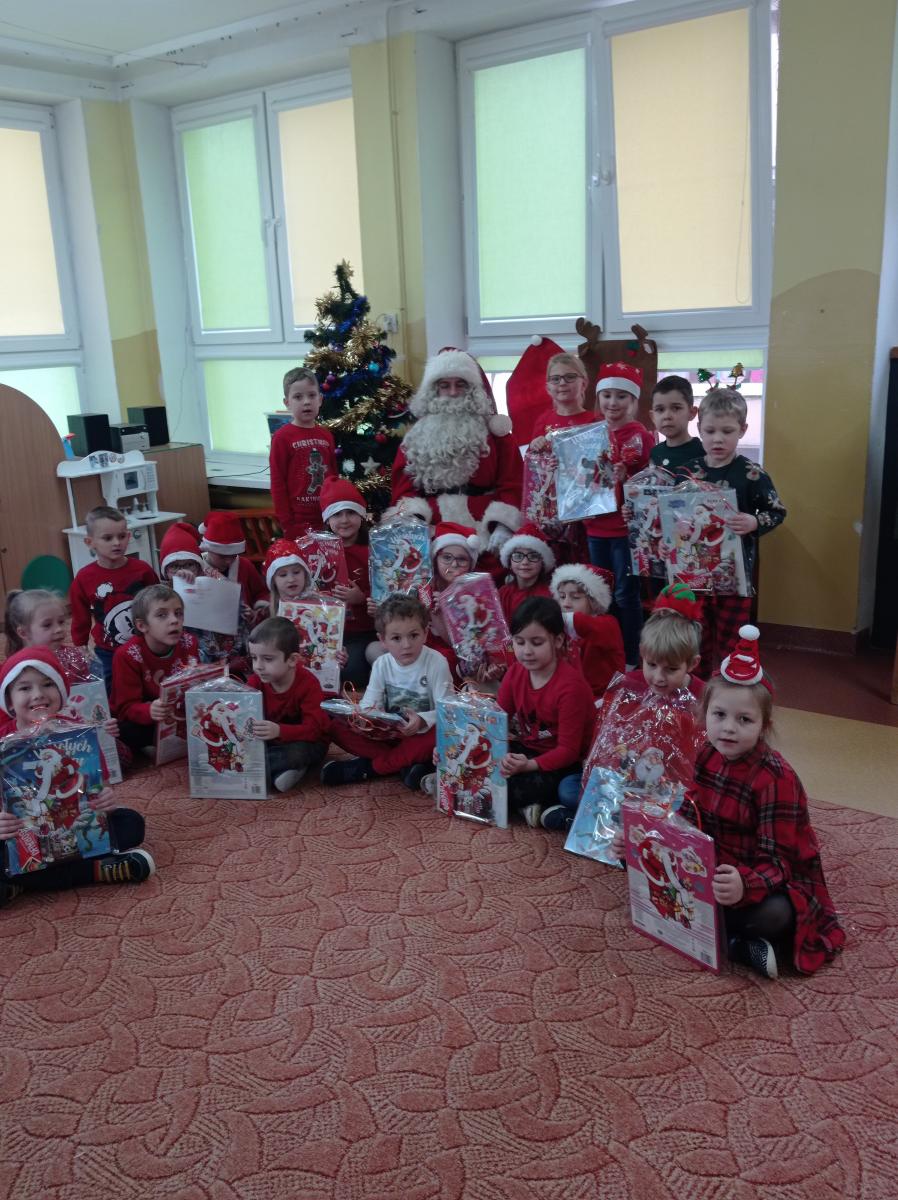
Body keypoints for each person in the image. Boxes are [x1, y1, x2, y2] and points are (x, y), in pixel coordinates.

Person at [617, 625, 846, 979]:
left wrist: (744, 884)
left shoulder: (776, 779)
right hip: (715, 865)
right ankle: (734, 942)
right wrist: (642, 843)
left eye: (744, 720)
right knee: (652, 870)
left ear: (764, 725)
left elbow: (780, 862)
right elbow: (688, 818)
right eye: (719, 715)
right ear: (704, 713)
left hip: (764, 877)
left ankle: (728, 938)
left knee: (776, 915)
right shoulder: (706, 753)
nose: (728, 728)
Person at [541, 582, 704, 833]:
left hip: (668, 788)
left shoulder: (701, 697)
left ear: (692, 664)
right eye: (651, 665)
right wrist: (599, 762)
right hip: (625, 776)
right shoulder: (631, 684)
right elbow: (608, 734)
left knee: (687, 810)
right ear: (641, 654)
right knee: (569, 788)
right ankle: (602, 820)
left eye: (671, 669)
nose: (658, 677)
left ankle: (581, 819)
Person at [0, 647, 154, 902]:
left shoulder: (78, 734)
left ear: (61, 692)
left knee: (131, 824)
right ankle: (97, 871)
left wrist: (105, 799)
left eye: (48, 684)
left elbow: (100, 786)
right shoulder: (3, 742)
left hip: (73, 823)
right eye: (25, 688)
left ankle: (22, 883)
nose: (38, 694)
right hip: (22, 834)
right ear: (9, 701)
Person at [675, 386, 786, 677]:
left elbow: (777, 512)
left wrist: (754, 522)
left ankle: (727, 688)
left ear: (742, 430)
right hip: (694, 575)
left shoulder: (752, 474)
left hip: (735, 579)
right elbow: (671, 515)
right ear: (699, 429)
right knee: (695, 637)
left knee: (732, 640)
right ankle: (697, 687)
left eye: (727, 431)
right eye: (710, 431)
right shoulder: (687, 472)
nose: (718, 439)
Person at [390, 348, 523, 553]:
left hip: (485, 529)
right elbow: (403, 489)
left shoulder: (497, 435)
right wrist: (414, 522)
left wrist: (504, 524)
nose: (453, 392)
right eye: (445, 385)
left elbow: (513, 483)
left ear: (472, 389)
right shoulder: (415, 437)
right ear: (434, 390)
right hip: (433, 531)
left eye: (460, 384)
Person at [321, 594, 454, 790]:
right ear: (382, 640)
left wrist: (421, 720)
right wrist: (361, 718)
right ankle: (406, 765)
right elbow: (370, 704)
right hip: (391, 738)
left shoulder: (437, 662)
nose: (406, 645)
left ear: (425, 633)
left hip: (422, 735)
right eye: (396, 638)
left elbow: (449, 713)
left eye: (413, 635)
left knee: (439, 735)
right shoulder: (382, 664)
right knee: (334, 727)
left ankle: (370, 768)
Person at [496, 596, 596, 828]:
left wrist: (528, 765)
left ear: (558, 640)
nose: (527, 651)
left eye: (537, 642)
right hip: (528, 750)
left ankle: (542, 805)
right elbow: (497, 719)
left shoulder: (570, 687)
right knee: (482, 770)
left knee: (511, 788)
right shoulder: (515, 673)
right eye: (519, 642)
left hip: (564, 762)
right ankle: (533, 807)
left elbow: (568, 751)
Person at [583, 363, 655, 669]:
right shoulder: (590, 433)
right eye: (607, 395)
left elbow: (650, 483)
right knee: (600, 594)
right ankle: (607, 652)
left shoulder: (640, 436)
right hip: (594, 526)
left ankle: (632, 657)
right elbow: (581, 474)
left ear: (634, 401)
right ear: (598, 398)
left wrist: (629, 477)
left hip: (625, 530)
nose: (612, 403)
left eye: (621, 396)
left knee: (626, 594)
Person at [69, 505, 158, 688]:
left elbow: (159, 603)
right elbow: (80, 616)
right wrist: (81, 645)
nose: (117, 542)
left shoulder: (142, 570)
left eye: (122, 536)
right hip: (107, 650)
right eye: (108, 538)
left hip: (145, 644)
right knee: (111, 688)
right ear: (90, 542)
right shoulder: (84, 578)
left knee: (150, 682)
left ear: (128, 536)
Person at [110, 584, 200, 752]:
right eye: (162, 615)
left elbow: (195, 685)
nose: (174, 620)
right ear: (142, 626)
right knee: (124, 731)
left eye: (178, 613)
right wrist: (149, 711)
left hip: (178, 711)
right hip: (147, 715)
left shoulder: (189, 642)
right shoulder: (127, 655)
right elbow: (125, 707)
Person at [246, 617, 330, 792]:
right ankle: (282, 772)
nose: (258, 666)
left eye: (268, 659)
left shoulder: (308, 684)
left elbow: (315, 730)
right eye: (254, 658)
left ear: (292, 660)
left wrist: (279, 731)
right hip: (272, 742)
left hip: (307, 742)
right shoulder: (255, 682)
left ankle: (264, 768)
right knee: (249, 749)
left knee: (298, 753)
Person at [159, 521, 252, 676]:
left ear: (198, 566)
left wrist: (242, 612)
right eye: (175, 566)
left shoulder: (214, 582)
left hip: (220, 658)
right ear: (165, 570)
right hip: (183, 659)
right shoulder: (159, 594)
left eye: (189, 564)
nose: (183, 570)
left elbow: (235, 617)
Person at [269, 366, 337, 538]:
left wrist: (334, 510)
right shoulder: (281, 437)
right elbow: (277, 483)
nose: (306, 402)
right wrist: (287, 524)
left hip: (327, 517)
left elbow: (333, 476)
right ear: (287, 403)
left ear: (320, 399)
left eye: (312, 395)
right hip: (298, 523)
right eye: (298, 397)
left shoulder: (326, 435)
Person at [320, 478, 375, 688]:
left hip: (362, 631)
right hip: (327, 631)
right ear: (327, 519)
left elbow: (385, 593)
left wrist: (361, 598)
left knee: (352, 672)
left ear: (361, 516)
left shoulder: (372, 552)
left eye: (351, 512)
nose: (344, 520)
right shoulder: (318, 553)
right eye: (337, 514)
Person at [550, 563, 624, 699]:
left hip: (604, 697)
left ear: (594, 601)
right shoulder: (564, 625)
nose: (566, 603)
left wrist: (546, 616)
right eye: (562, 596)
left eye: (575, 597)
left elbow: (581, 623)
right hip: (574, 691)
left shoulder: (607, 624)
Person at [428, 521, 483, 678]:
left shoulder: (473, 596)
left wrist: (439, 614)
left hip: (454, 653)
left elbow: (459, 645)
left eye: (462, 559)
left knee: (445, 660)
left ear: (470, 564)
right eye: (447, 557)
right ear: (435, 559)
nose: (454, 564)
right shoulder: (425, 587)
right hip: (421, 647)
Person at [199, 512, 269, 620]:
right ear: (208, 549)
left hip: (245, 624)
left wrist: (257, 610)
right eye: (222, 556)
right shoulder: (197, 568)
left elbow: (261, 592)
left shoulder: (244, 565)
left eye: (233, 556)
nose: (228, 561)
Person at [497, 523, 555, 626]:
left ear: (542, 563)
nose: (525, 562)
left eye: (533, 556)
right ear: (510, 561)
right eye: (518, 556)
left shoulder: (549, 595)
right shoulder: (503, 593)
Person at [648, 376, 703, 470]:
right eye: (660, 409)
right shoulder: (655, 453)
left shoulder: (704, 452)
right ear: (653, 417)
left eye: (676, 408)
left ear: (691, 413)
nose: (667, 416)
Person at [264, 538, 314, 612]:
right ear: (273, 580)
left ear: (305, 574)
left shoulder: (321, 605)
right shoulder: (265, 613)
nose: (291, 579)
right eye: (283, 575)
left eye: (296, 572)